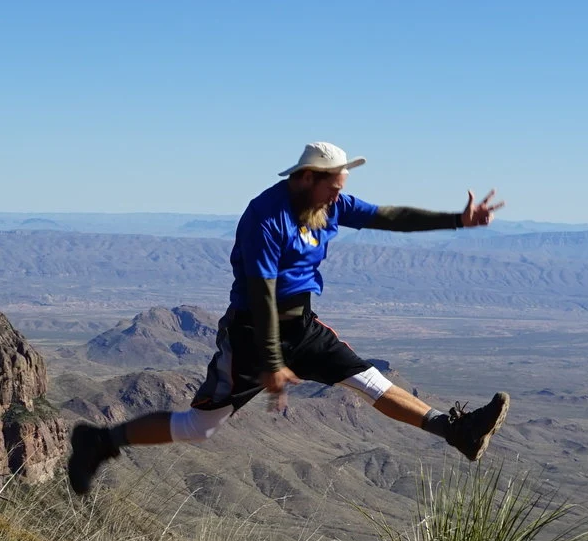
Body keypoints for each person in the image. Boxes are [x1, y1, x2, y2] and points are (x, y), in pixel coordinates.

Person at [67, 141, 511, 495]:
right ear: (305, 178)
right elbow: (260, 295)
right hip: (253, 333)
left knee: (367, 380)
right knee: (199, 427)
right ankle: (101, 441)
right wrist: (272, 360)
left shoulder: (329, 204)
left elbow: (387, 217)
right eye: (333, 185)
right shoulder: (266, 216)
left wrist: (458, 219)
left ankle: (457, 431)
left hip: (303, 325)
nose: (340, 194)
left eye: (341, 186)